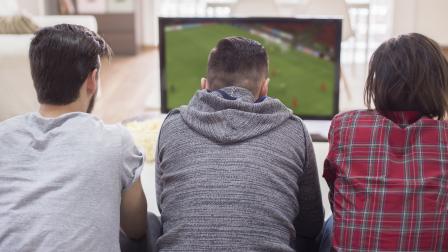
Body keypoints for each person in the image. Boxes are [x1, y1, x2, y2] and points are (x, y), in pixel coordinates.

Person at [155, 36, 324, 251]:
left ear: (204, 85)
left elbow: (165, 207)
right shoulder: (294, 129)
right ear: (265, 88)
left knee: (152, 223)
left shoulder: (173, 125)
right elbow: (311, 225)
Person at [0, 24, 147, 251]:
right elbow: (136, 228)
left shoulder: (4, 134)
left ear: (35, 76)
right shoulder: (115, 141)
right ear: (92, 80)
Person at [323, 33, 448, 251]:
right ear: (439, 84)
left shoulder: (345, 125)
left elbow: (336, 196)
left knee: (329, 224)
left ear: (377, 81)